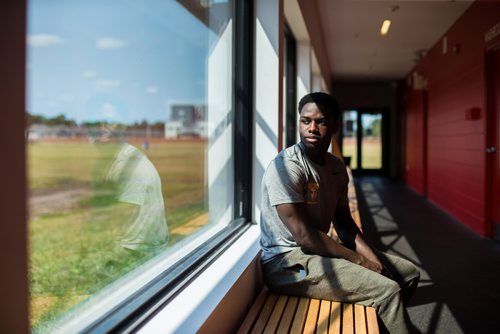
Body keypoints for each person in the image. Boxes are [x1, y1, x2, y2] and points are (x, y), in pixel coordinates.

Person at [259, 92, 420, 333]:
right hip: (287, 263)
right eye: (306, 121)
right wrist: (359, 260)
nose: (312, 128)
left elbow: (344, 223)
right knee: (387, 291)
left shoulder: (335, 168)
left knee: (407, 274)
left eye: (321, 121)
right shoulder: (286, 167)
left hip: (318, 253)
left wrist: (374, 260)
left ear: (335, 125)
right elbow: (305, 236)